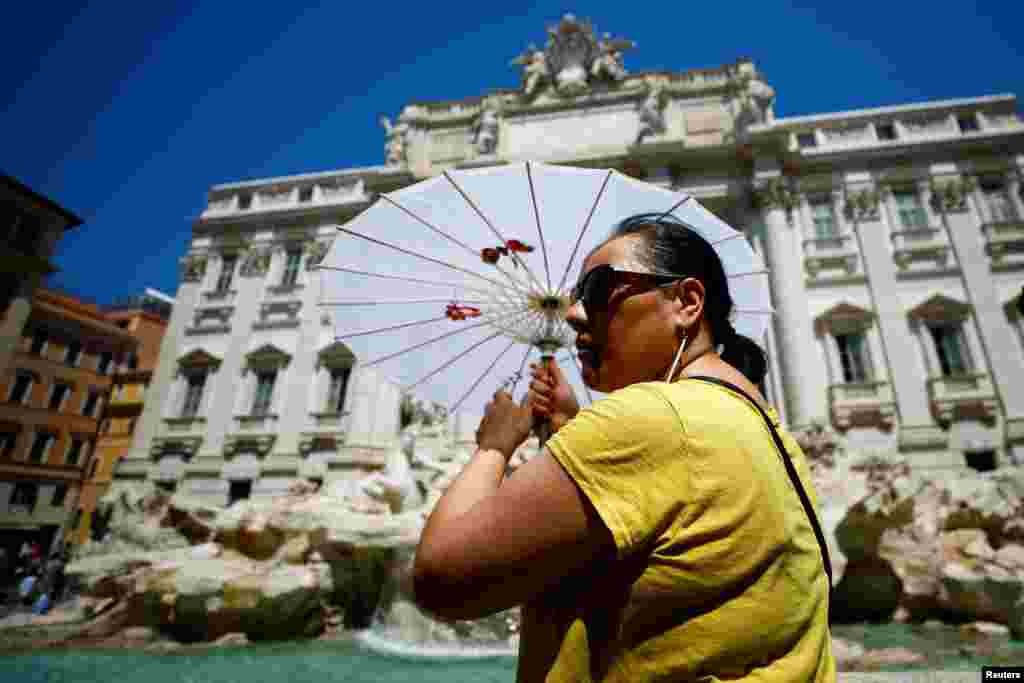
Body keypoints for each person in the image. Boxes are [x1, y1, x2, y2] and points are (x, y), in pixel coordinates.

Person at [413, 212, 835, 681]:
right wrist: (572, 430)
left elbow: (441, 582)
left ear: (686, 302)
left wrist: (494, 447)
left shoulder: (649, 420)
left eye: (596, 290)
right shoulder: (764, 426)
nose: (574, 313)